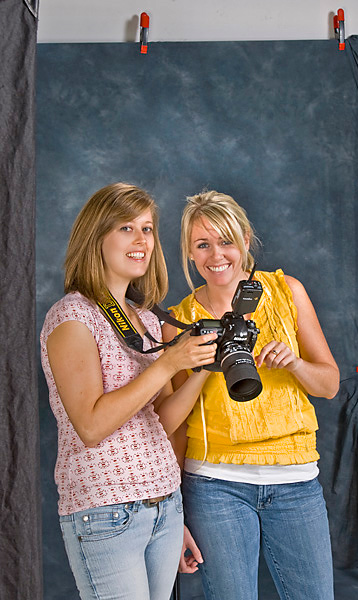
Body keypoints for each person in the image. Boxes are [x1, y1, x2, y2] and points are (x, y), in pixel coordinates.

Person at [40, 183, 218, 600]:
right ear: (96, 238)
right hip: (106, 511)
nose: (142, 241)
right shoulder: (72, 317)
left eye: (148, 228)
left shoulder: (146, 321)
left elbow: (162, 421)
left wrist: (203, 369)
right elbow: (91, 424)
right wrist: (170, 364)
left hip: (164, 506)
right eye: (126, 228)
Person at [163, 190, 340, 600]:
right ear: (190, 253)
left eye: (226, 241)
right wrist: (176, 516)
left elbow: (329, 385)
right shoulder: (179, 323)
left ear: (245, 238)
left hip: (295, 480)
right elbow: (171, 429)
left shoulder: (286, 292)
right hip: (215, 484)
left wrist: (294, 363)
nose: (216, 255)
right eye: (202, 244)